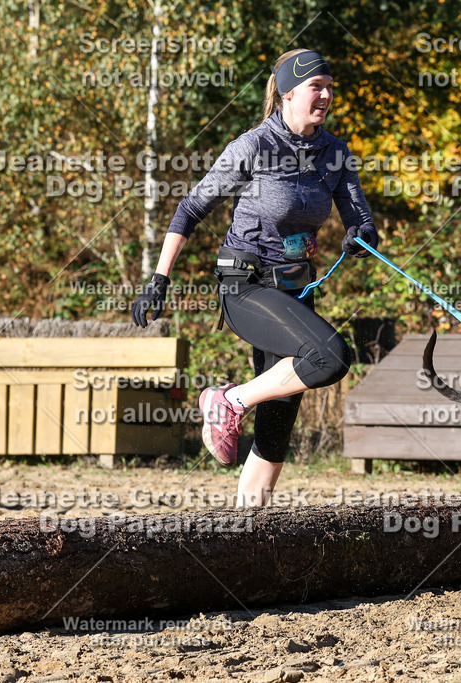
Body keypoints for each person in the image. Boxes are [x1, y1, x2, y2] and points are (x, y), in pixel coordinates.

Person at [130, 48, 378, 506]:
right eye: (315, 87)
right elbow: (190, 208)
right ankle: (228, 400)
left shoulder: (335, 154)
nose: (325, 95)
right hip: (245, 285)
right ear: (286, 93)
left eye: (329, 87)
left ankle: (251, 533)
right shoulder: (254, 146)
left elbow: (361, 221)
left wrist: (360, 234)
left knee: (276, 430)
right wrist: (159, 279)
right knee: (331, 356)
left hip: (294, 289)